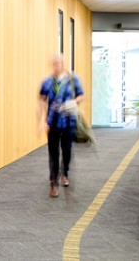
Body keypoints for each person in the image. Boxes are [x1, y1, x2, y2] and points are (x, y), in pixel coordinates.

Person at [37, 55, 85, 197]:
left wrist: (72, 103)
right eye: (54, 63)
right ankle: (53, 183)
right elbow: (41, 101)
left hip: (69, 122)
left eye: (59, 63)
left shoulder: (72, 79)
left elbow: (81, 95)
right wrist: (41, 122)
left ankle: (65, 174)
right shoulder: (46, 82)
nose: (57, 65)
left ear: (63, 64)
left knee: (67, 150)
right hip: (52, 123)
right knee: (53, 153)